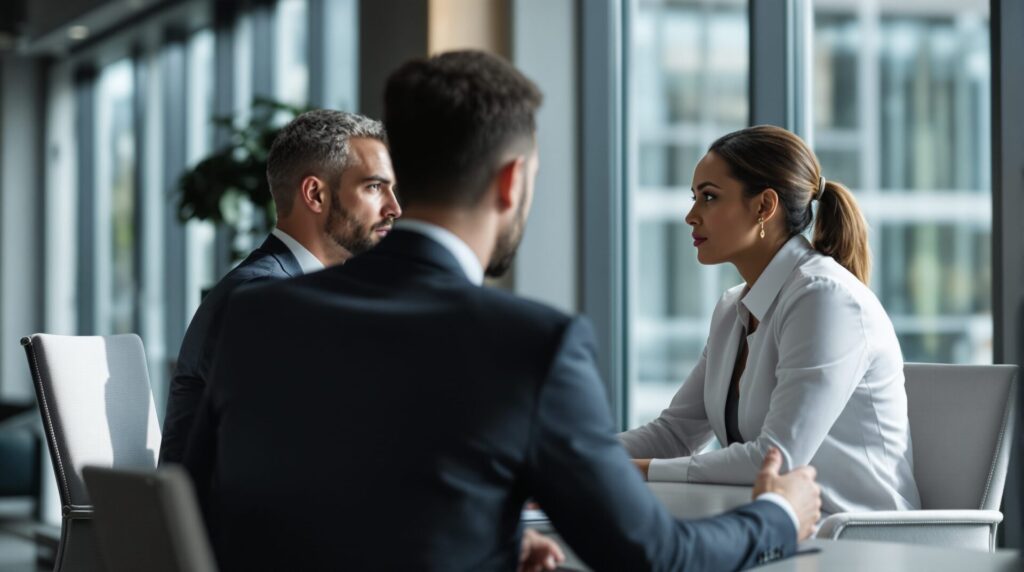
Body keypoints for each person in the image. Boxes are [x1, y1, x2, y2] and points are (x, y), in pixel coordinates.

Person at [183, 51, 821, 571]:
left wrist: (481, 544)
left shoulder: (255, 317)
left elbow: (222, 508)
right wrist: (778, 517)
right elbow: (654, 555)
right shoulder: (530, 344)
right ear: (511, 181)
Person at [621, 125, 920, 517]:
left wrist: (632, 472)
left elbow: (775, 459)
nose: (690, 216)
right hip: (776, 530)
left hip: (858, 542)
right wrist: (577, 455)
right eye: (694, 198)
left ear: (764, 206)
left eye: (709, 197)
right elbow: (676, 432)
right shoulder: (733, 309)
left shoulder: (826, 299)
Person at [158, 110, 401, 465]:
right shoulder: (259, 299)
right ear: (315, 194)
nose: (394, 207)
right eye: (375, 187)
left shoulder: (293, 292)